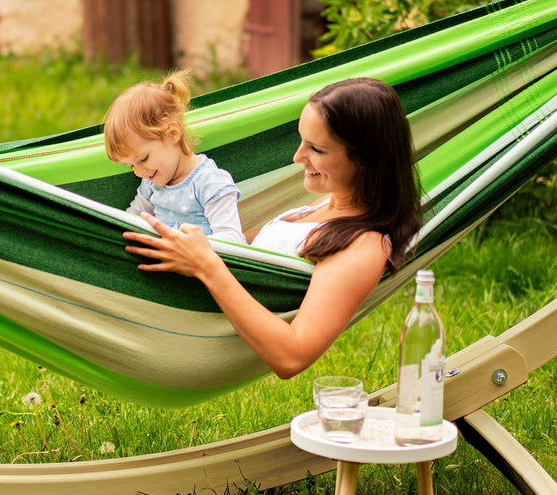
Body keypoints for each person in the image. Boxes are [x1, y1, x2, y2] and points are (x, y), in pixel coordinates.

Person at [122, 76, 421, 379]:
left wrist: (205, 265)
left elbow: (292, 356)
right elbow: (248, 246)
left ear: (363, 161)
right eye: (301, 140)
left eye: (316, 149)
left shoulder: (363, 247)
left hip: (200, 316)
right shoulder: (327, 204)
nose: (297, 157)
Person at [103, 69, 244, 243]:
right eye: (131, 166)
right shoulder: (150, 183)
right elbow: (132, 220)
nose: (139, 172)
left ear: (172, 133)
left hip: (206, 266)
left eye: (143, 159)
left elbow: (232, 240)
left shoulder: (208, 182)